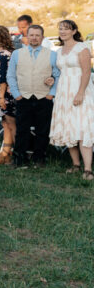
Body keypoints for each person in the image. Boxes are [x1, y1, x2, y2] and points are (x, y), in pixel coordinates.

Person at [7, 24, 58, 169]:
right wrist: (17, 95)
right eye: (32, 35)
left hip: (44, 97)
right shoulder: (17, 54)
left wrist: (51, 94)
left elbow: (57, 75)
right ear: (27, 36)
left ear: (42, 37)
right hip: (23, 97)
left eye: (37, 35)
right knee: (22, 130)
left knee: (42, 130)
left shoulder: (52, 54)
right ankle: (19, 158)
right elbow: (11, 76)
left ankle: (39, 158)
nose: (34, 38)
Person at [49, 20, 94, 179]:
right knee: (68, 126)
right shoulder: (59, 51)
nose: (63, 31)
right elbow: (60, 72)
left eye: (66, 29)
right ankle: (76, 164)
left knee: (82, 126)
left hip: (80, 89)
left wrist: (80, 92)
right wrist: (52, 81)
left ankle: (88, 169)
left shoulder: (82, 48)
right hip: (64, 92)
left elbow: (87, 72)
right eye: (60, 29)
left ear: (74, 31)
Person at [0, 25, 18, 164]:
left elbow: (3, 77)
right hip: (10, 92)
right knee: (6, 125)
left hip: (6, 94)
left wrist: (1, 96)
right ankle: (5, 154)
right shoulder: (12, 52)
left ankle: (17, 154)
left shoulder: (3, 54)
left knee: (11, 124)